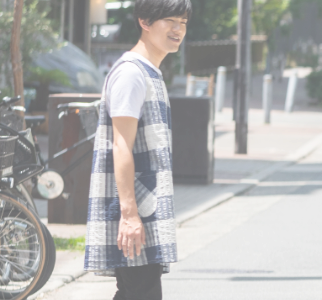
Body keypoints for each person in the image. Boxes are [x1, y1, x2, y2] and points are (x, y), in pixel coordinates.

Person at [83, 0, 190, 298]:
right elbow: (121, 145)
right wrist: (129, 215)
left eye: (183, 22)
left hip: (146, 207)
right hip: (135, 211)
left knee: (135, 292)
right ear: (144, 21)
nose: (178, 29)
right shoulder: (131, 74)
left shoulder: (150, 72)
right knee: (141, 292)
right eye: (170, 20)